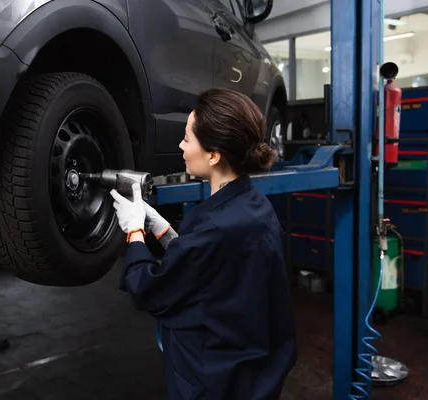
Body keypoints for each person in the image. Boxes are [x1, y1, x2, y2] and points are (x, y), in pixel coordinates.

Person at [110, 88, 297, 400]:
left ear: (213, 154)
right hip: (256, 376)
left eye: (187, 138)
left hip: (215, 382)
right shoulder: (254, 205)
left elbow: (147, 289)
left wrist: (134, 231)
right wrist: (160, 227)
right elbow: (205, 265)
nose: (181, 146)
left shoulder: (216, 227)